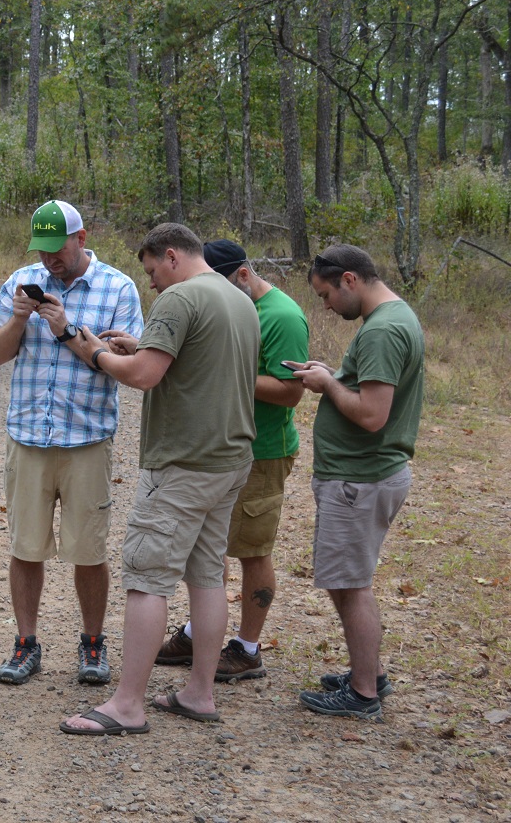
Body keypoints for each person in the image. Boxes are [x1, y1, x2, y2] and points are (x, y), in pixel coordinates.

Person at [58, 222, 258, 735]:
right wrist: (138, 345)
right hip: (230, 460)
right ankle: (199, 693)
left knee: (147, 577)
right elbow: (192, 365)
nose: (151, 285)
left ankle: (126, 705)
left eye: (151, 272)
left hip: (183, 465)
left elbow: (146, 377)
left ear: (171, 256)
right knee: (206, 575)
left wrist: (96, 354)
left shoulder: (179, 300)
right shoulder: (239, 300)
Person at [0, 200, 143, 687]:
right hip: (29, 435)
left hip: (87, 438)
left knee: (88, 551)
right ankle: (25, 643)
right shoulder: (20, 281)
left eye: (58, 250)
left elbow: (130, 357)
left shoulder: (118, 287)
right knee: (25, 547)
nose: (50, 260)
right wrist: (17, 319)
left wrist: (67, 329)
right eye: (43, 250)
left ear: (81, 237)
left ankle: (92, 645)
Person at [156, 240, 308, 681]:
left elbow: (290, 391)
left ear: (242, 275)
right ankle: (197, 632)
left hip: (262, 451)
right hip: (221, 450)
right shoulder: (229, 306)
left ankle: (246, 648)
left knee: (251, 550)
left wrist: (226, 369)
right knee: (209, 549)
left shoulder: (280, 316)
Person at [291, 244, 423, 721]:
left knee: (351, 585)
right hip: (362, 477)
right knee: (347, 581)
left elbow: (372, 415)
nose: (325, 306)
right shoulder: (391, 318)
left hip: (360, 479)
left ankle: (364, 694)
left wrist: (328, 385)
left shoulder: (383, 330)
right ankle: (369, 672)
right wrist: (331, 374)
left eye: (326, 294)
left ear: (349, 280)